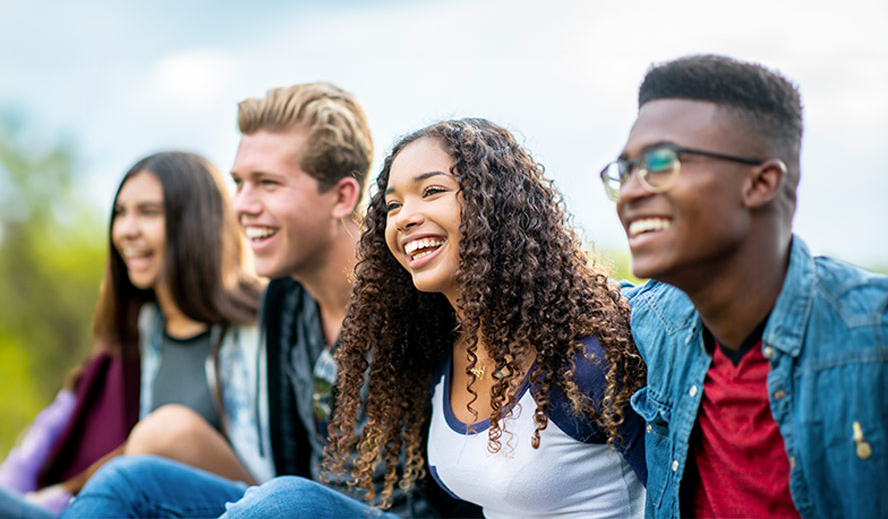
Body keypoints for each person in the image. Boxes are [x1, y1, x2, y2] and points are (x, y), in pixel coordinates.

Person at [199, 116, 648, 517]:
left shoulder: (586, 357)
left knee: (282, 506)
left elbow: (680, 495)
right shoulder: (437, 354)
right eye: (393, 205)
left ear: (496, 206)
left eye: (431, 192)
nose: (405, 218)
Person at [68, 83, 448, 517]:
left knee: (285, 499)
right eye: (239, 184)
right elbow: (292, 463)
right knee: (128, 481)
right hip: (297, 506)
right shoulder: (286, 303)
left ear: (342, 196)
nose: (242, 206)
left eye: (267, 183)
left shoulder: (417, 290)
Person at [599, 52, 888, 519]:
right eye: (625, 171)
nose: (630, 192)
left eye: (659, 162)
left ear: (761, 182)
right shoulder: (656, 323)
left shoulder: (873, 340)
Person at [0, 150, 266, 519]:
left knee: (165, 431)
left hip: (242, 507)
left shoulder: (263, 321)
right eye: (121, 213)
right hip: (144, 507)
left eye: (148, 212)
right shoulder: (147, 327)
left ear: (195, 222)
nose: (126, 230)